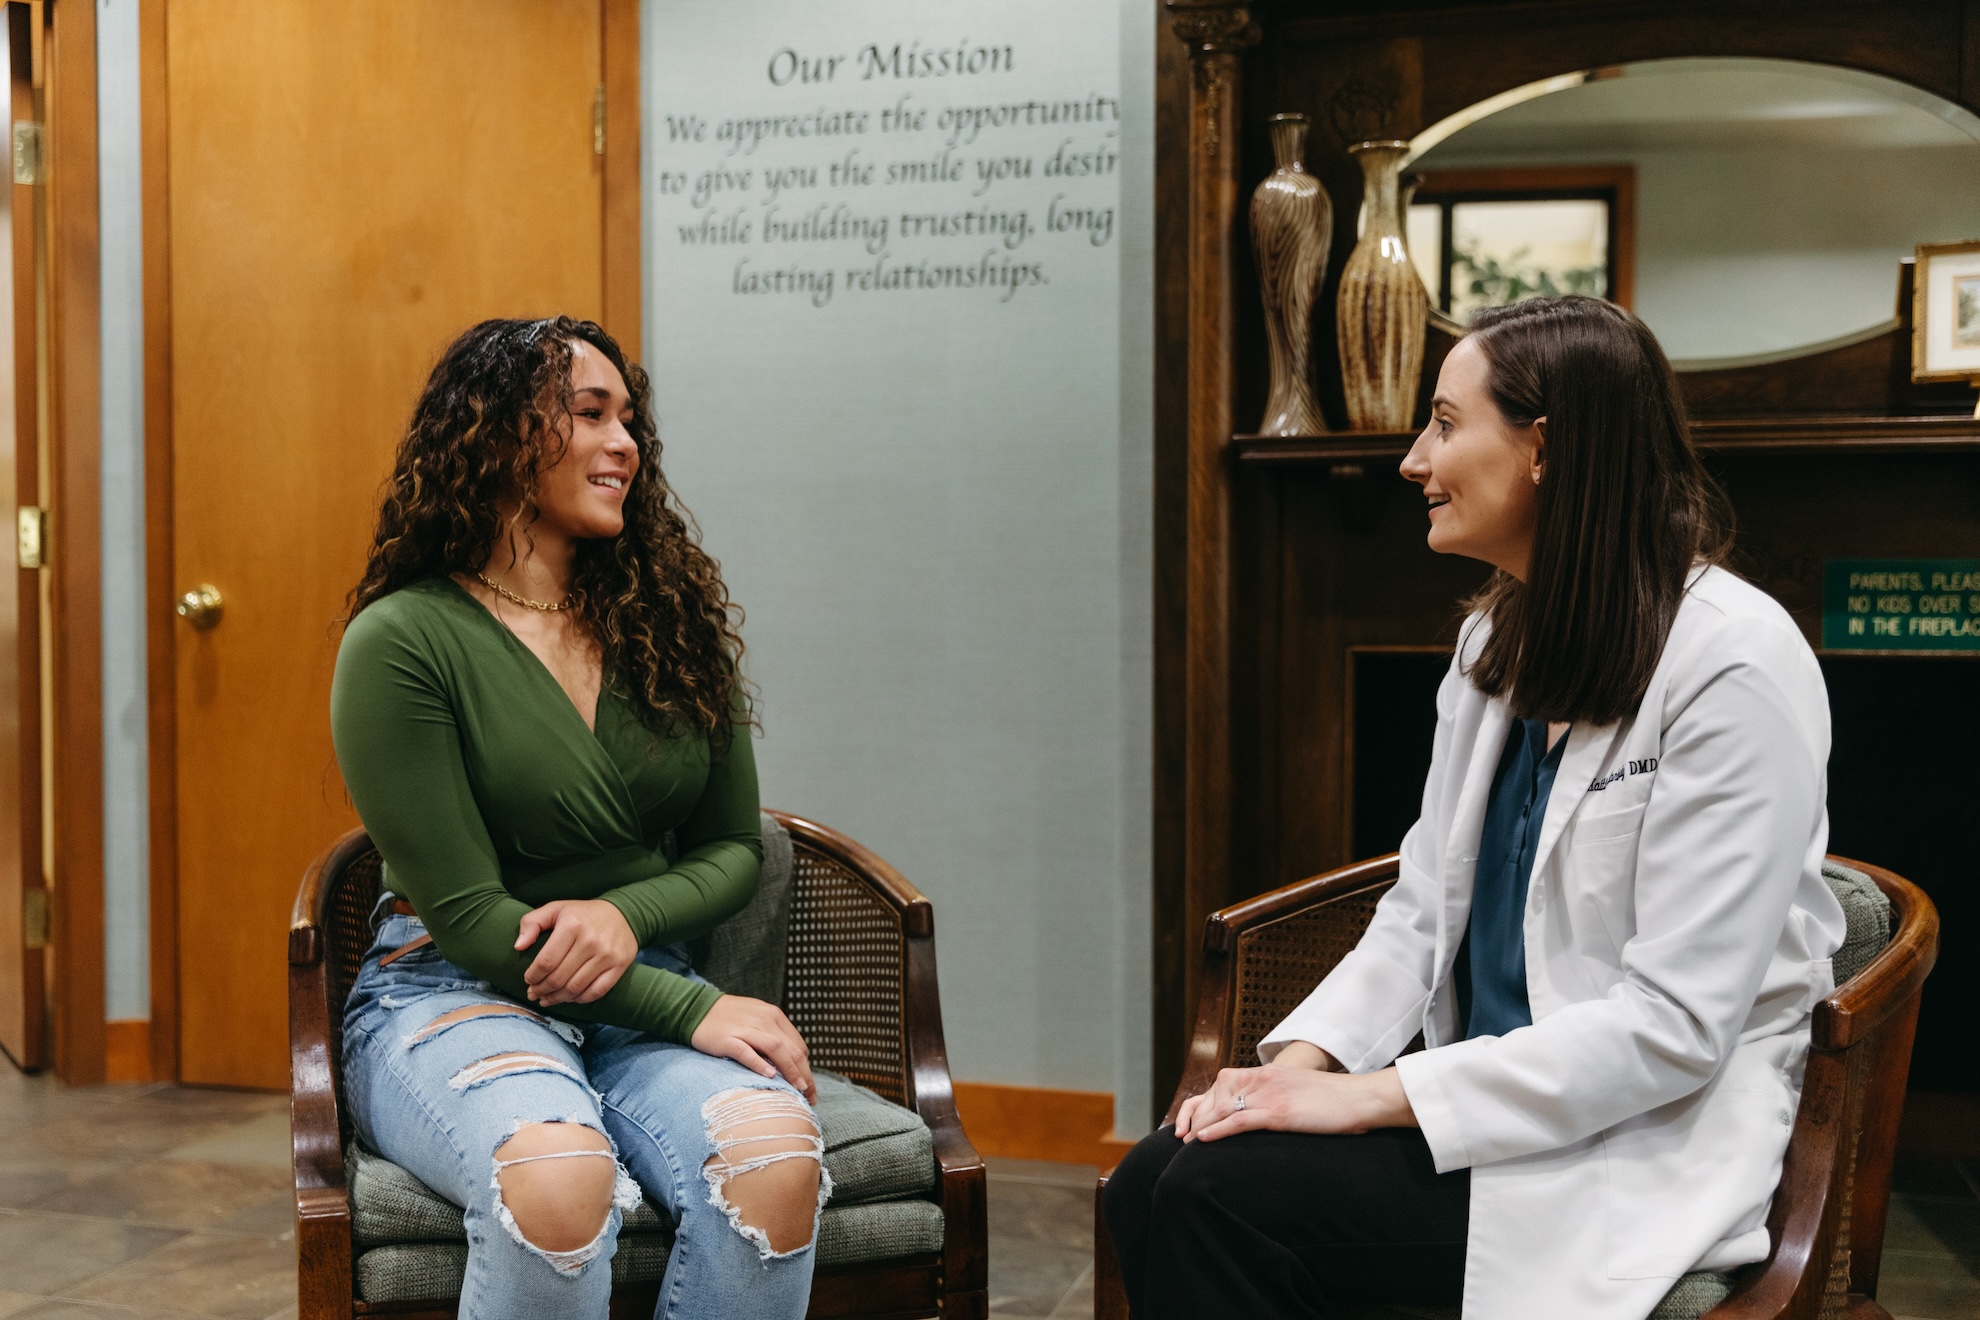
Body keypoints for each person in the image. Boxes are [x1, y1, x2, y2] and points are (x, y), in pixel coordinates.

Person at [1103, 296, 1844, 1320]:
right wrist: (1294, 1070)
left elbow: (1673, 1028)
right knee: (1151, 1179)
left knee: (1219, 1202)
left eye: (1447, 424)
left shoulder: (1736, 664)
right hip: (1486, 1118)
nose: (1413, 459)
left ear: (1545, 448)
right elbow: (1418, 916)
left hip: (1631, 1144)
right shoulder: (1494, 647)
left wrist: (1365, 1100)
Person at [331, 316, 823, 1320]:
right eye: (590, 414)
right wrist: (699, 1010)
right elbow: (471, 919)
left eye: (629, 420)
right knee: (557, 1178)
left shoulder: (671, 621)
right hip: (450, 989)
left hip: (639, 986)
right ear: (501, 435)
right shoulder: (401, 640)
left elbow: (737, 847)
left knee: (774, 1163)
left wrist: (625, 917)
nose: (626, 443)